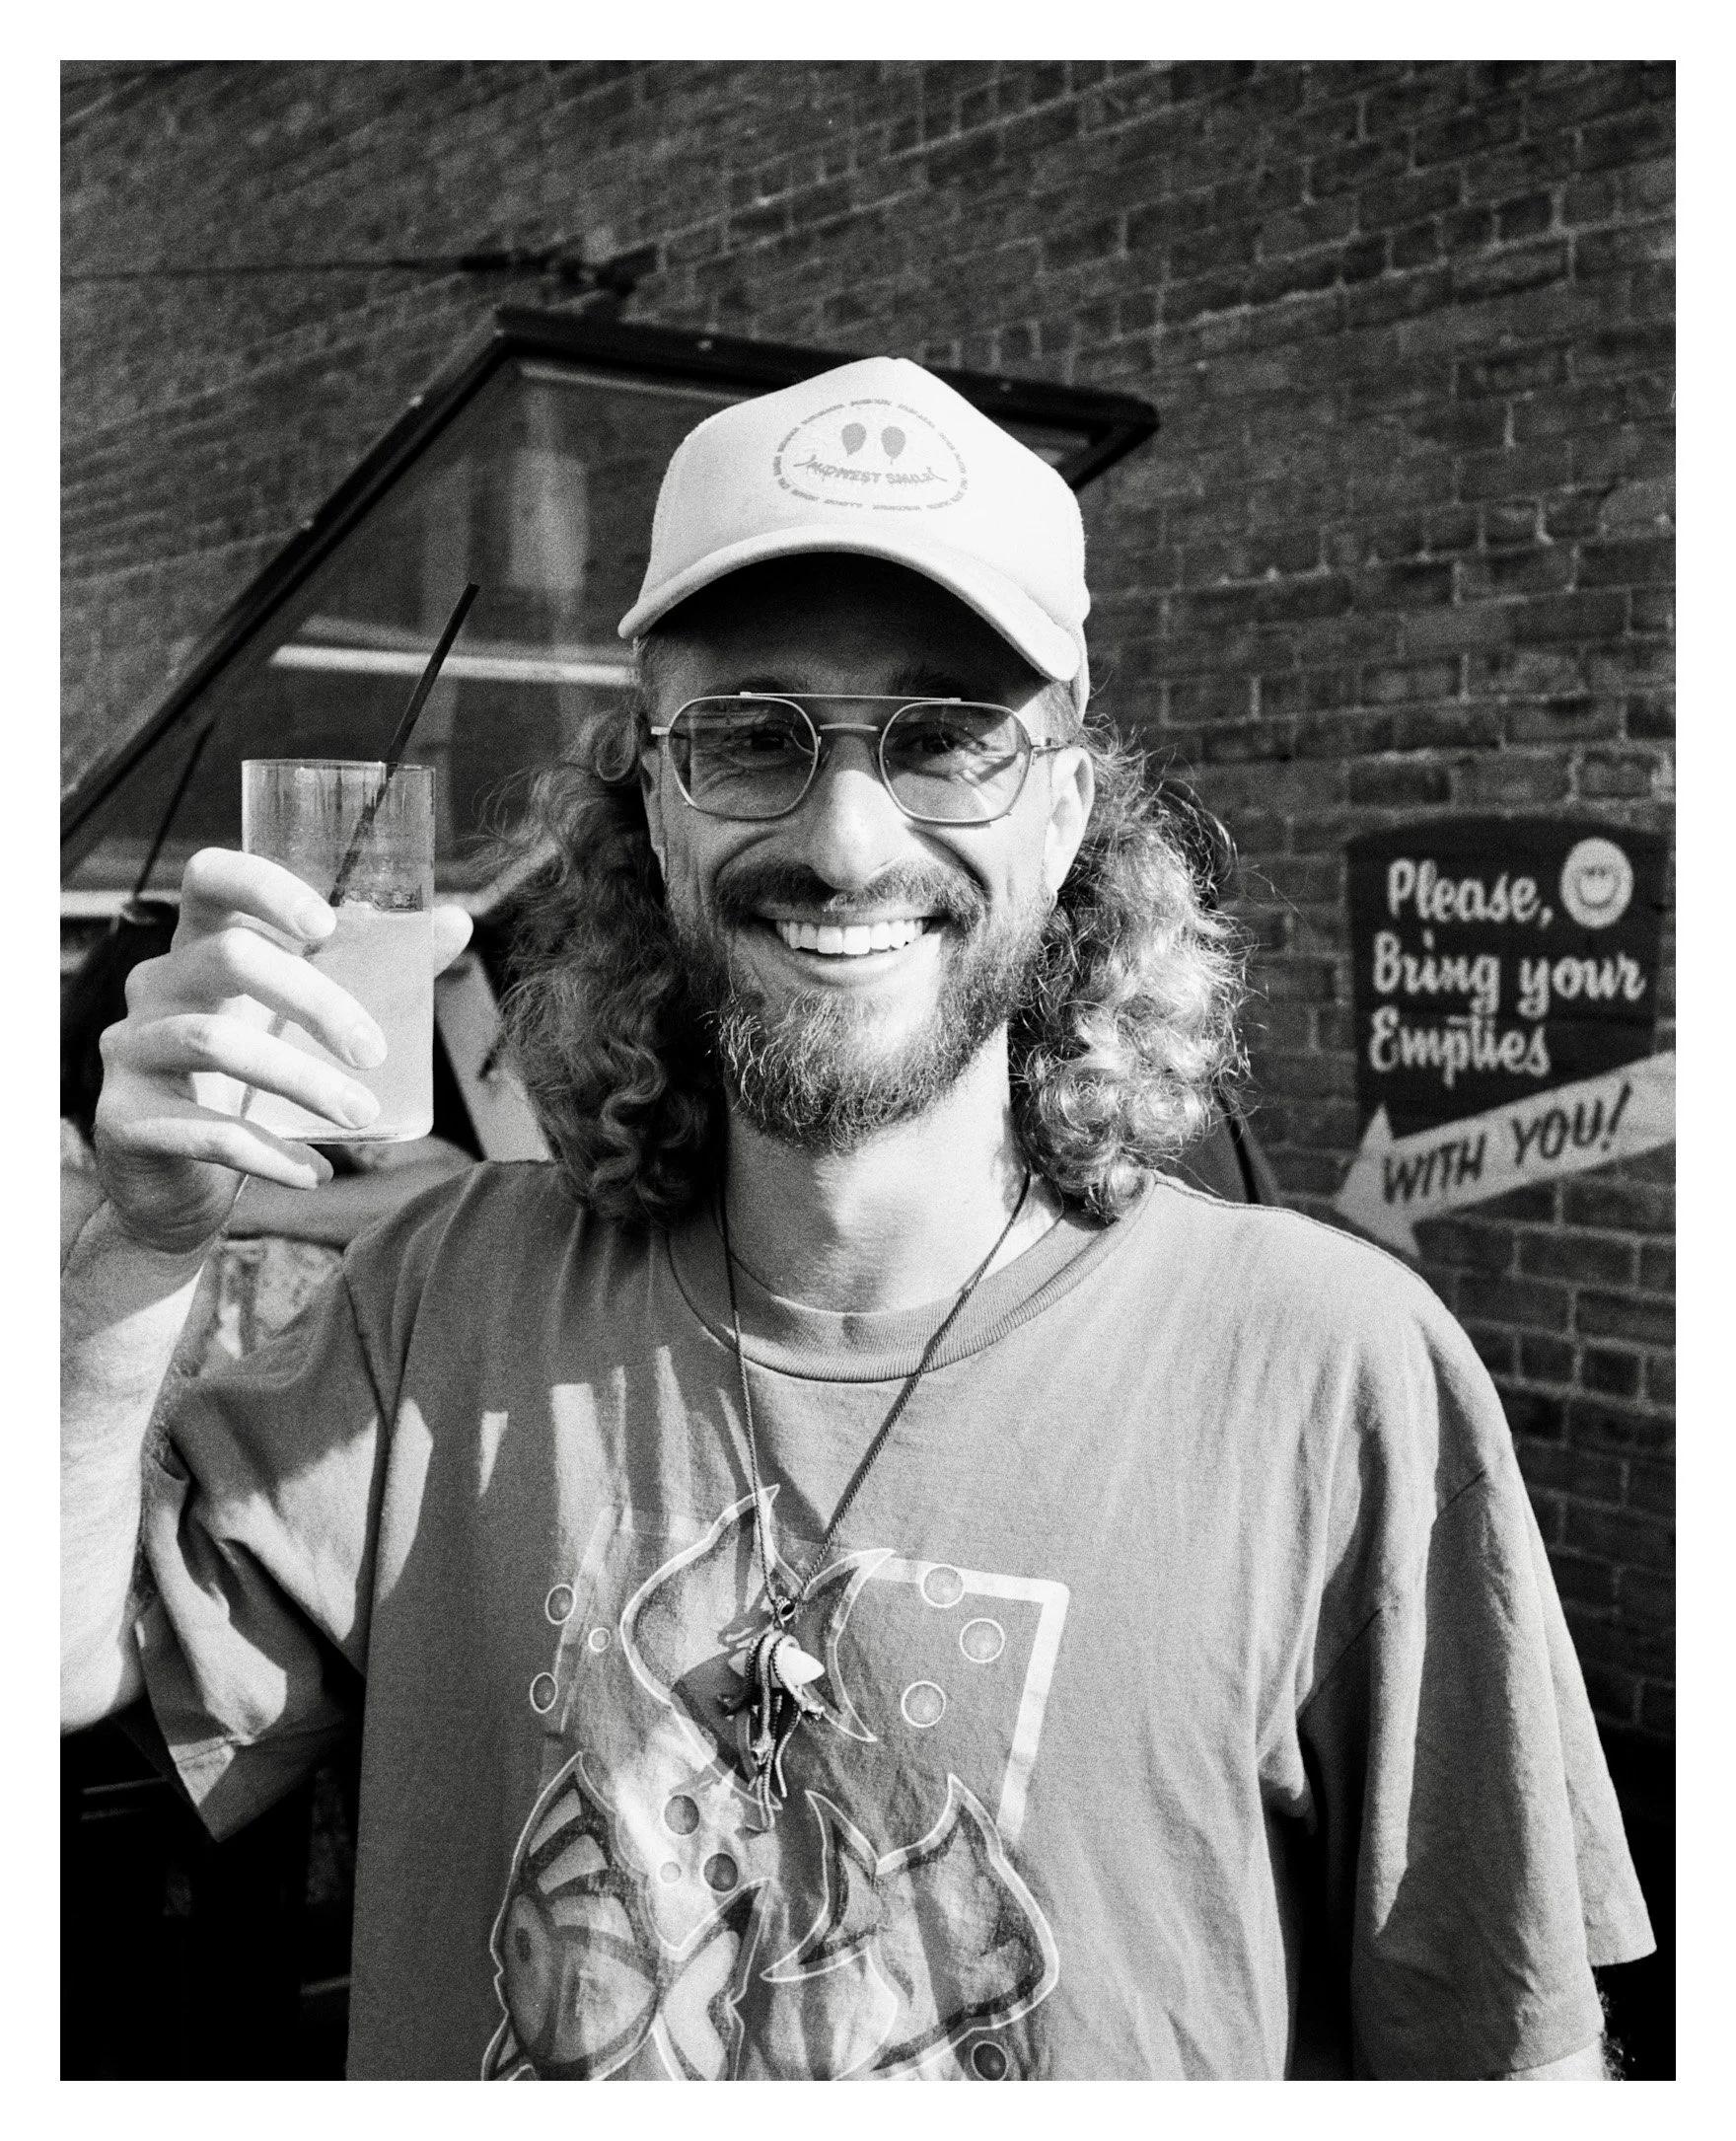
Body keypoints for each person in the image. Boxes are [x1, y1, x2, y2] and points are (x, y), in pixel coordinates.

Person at [61, 356, 1652, 2081]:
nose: (843, 835)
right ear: (651, 802)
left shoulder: (1326, 1374)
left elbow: (1515, 2067)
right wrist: (141, 1242)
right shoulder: (452, 1296)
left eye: (948, 735)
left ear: (1066, 806)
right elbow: (60, 1666)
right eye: (750, 734)